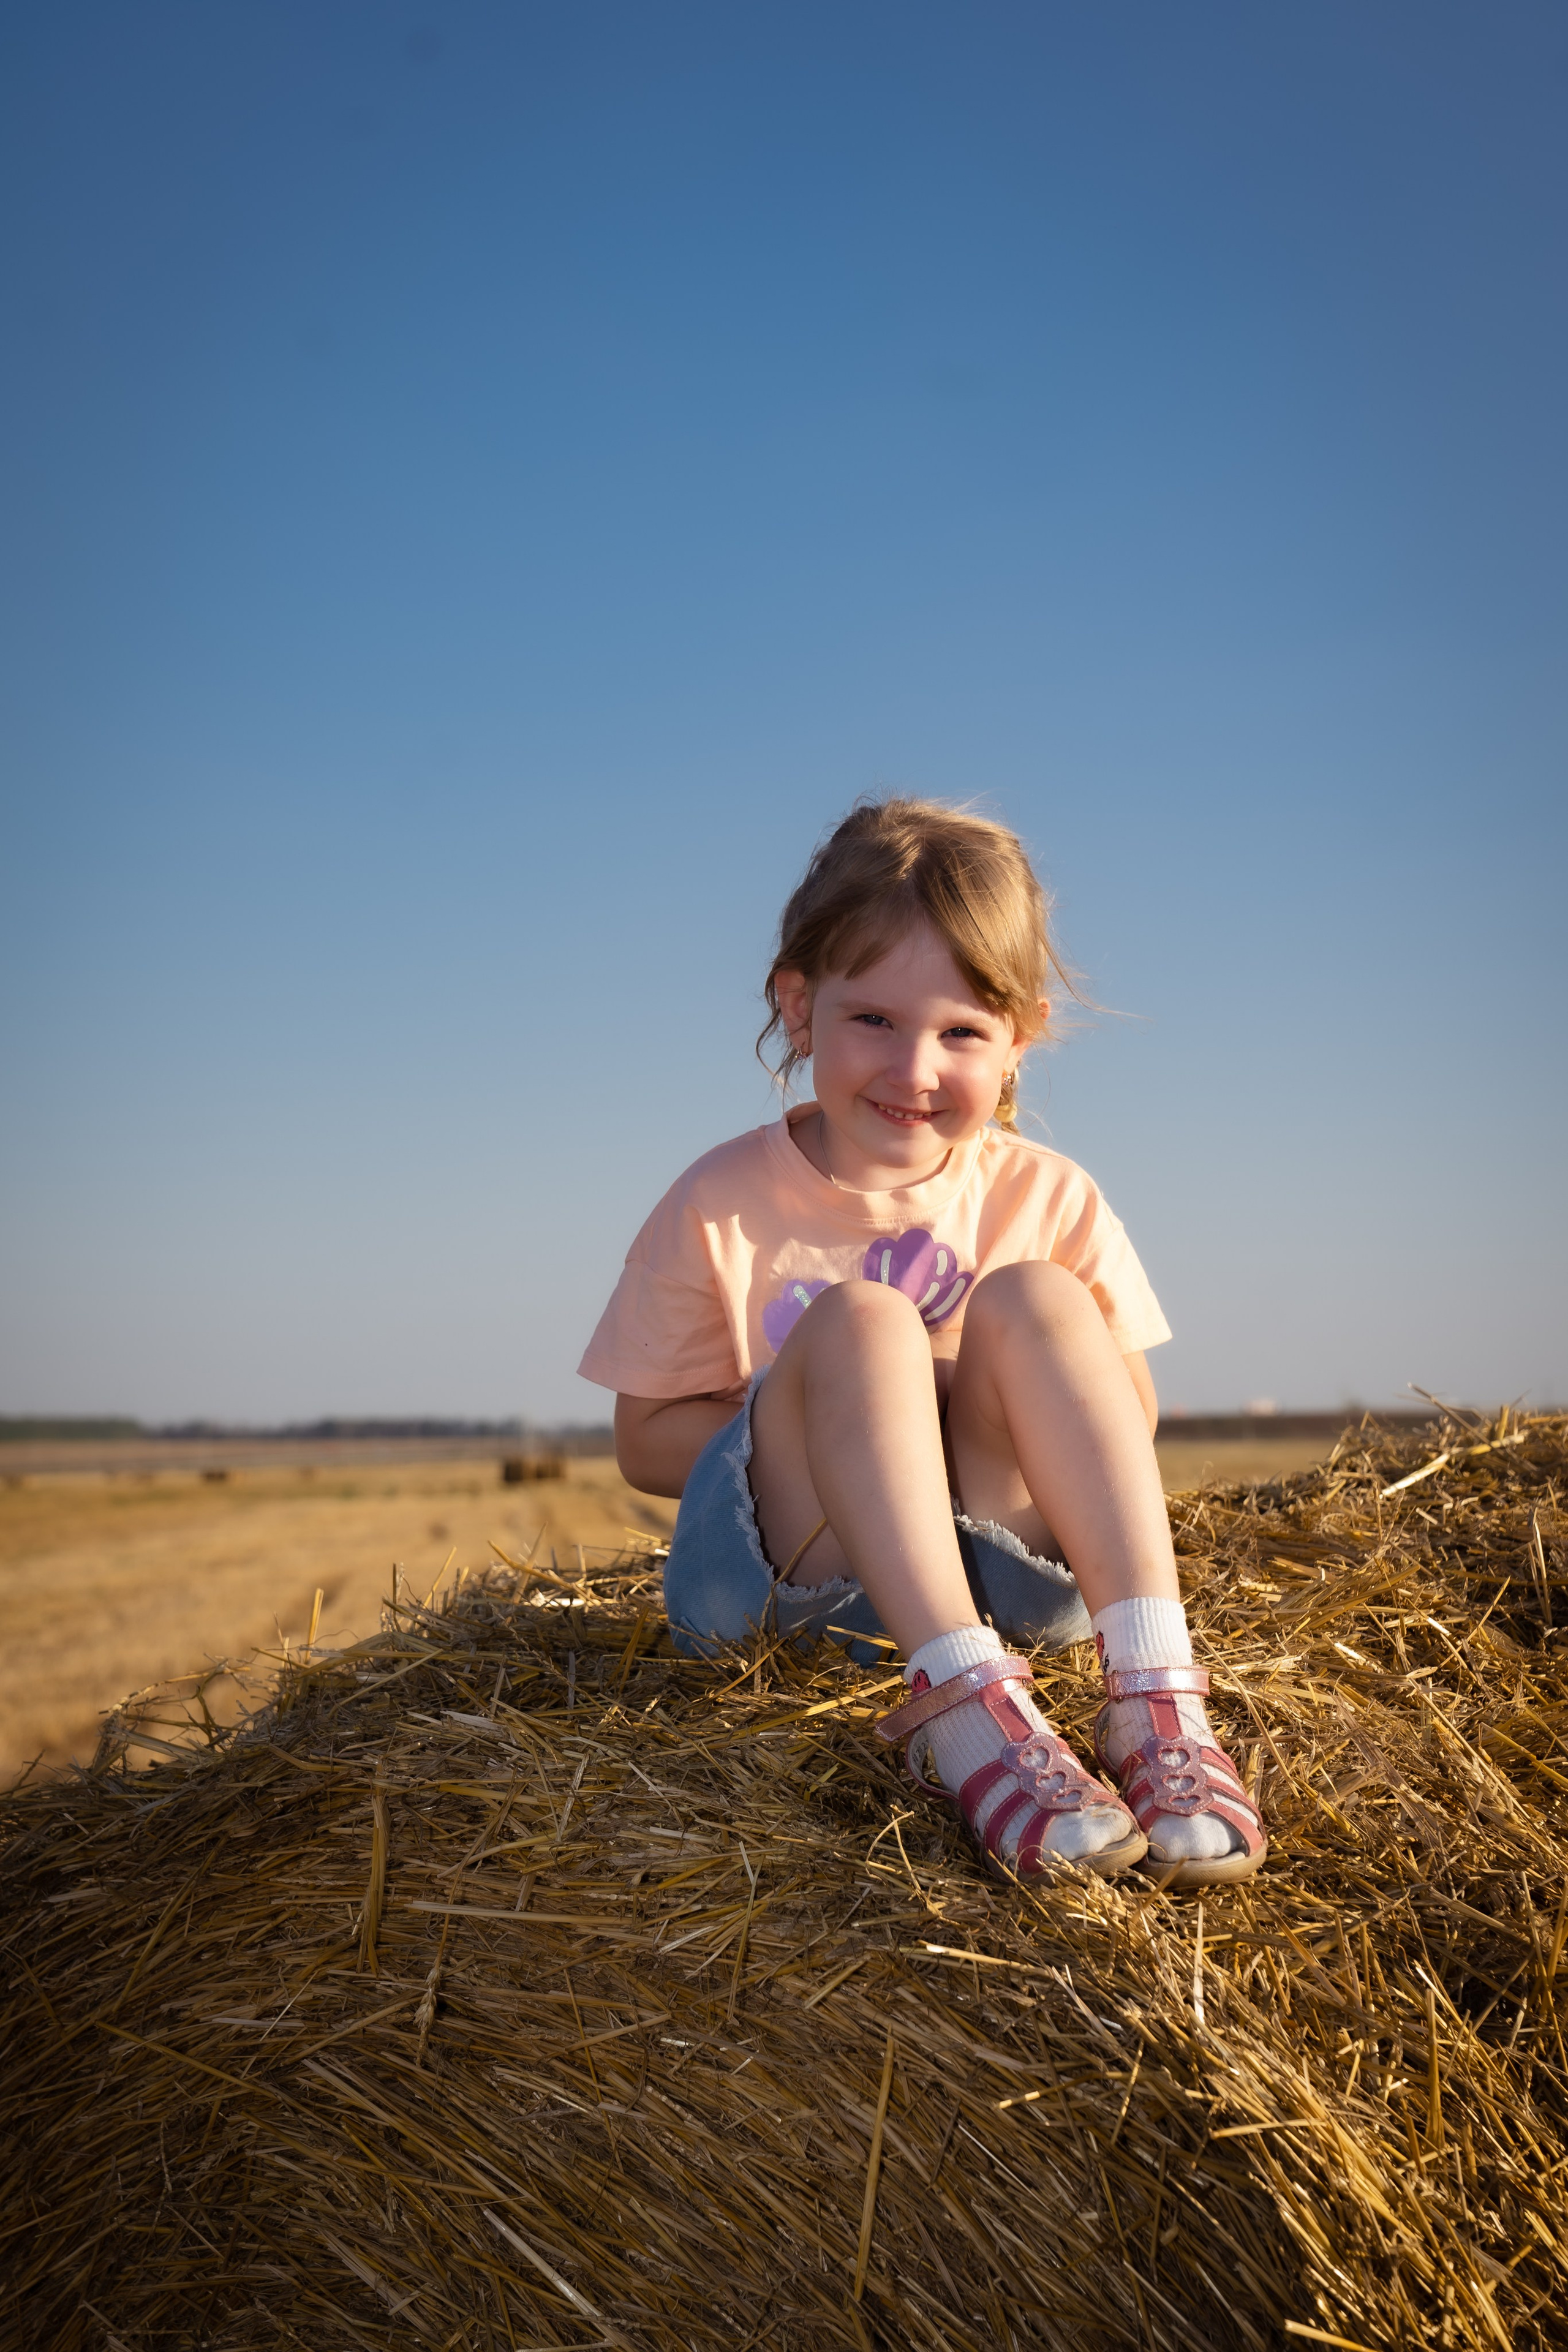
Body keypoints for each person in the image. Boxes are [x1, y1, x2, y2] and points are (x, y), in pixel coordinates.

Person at [579, 798, 1265, 1890]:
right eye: (874, 1020)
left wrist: (949, 1395)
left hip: (1006, 1576)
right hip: (796, 1591)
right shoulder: (719, 1201)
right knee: (862, 1322)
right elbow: (644, 1442)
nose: (915, 1069)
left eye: (961, 1033)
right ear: (798, 1007)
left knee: (1037, 1298)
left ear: (1019, 1037)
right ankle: (962, 1707)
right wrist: (839, 1408)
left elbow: (1126, 1411)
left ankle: (1152, 1693)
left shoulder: (1050, 1196)